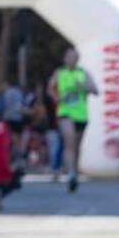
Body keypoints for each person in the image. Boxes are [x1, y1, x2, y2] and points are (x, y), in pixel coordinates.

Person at [46, 47, 92, 192]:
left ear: (78, 59)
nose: (72, 60)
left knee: (76, 147)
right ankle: (71, 174)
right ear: (65, 59)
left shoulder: (83, 73)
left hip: (81, 115)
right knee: (69, 141)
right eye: (69, 57)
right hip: (65, 112)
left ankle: (74, 172)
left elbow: (95, 89)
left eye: (75, 57)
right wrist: (57, 98)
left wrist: (84, 87)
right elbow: (50, 89)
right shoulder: (59, 73)